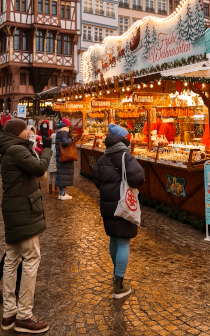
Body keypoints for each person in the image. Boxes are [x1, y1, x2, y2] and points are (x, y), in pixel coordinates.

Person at [0, 117, 52, 333]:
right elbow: (39, 168)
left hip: (14, 209)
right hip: (24, 210)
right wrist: (47, 148)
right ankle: (24, 315)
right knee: (31, 258)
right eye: (25, 131)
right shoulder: (16, 150)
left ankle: (9, 313)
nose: (28, 133)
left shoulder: (10, 148)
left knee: (12, 259)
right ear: (18, 132)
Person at [93, 123, 144, 299]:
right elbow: (138, 178)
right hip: (123, 204)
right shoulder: (126, 157)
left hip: (107, 205)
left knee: (114, 238)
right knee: (123, 242)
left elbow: (97, 180)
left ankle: (116, 274)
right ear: (123, 140)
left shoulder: (103, 158)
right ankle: (119, 285)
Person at [55, 118, 74, 200]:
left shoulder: (59, 131)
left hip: (60, 155)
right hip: (64, 156)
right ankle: (63, 194)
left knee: (60, 174)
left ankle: (60, 194)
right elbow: (65, 142)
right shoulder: (65, 131)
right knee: (64, 175)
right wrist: (71, 139)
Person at [48, 128, 58, 194]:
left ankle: (50, 189)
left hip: (50, 164)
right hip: (55, 164)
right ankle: (56, 189)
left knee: (50, 177)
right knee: (56, 177)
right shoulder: (57, 146)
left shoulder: (50, 146)